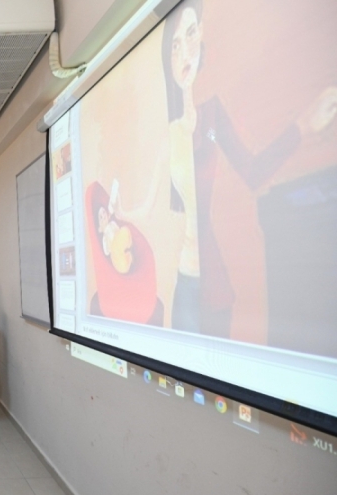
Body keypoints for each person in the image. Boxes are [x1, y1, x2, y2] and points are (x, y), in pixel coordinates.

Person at [114, 0, 337, 337]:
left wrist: (302, 127)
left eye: (190, 35)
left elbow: (251, 170)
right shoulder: (169, 136)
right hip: (183, 284)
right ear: (168, 61)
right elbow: (146, 208)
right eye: (175, 46)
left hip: (216, 286)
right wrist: (119, 213)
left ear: (201, 38)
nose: (184, 52)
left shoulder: (213, 120)